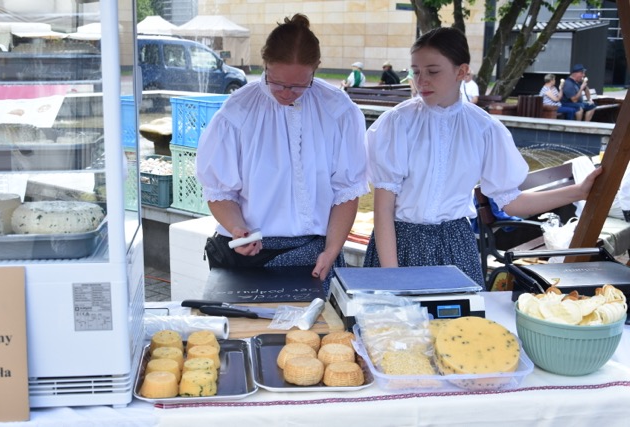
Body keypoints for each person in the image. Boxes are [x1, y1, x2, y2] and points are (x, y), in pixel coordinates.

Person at [363, 27, 601, 287]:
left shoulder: (484, 128)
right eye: (416, 71)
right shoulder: (398, 123)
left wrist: (579, 192)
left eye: (432, 71)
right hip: (398, 245)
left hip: (455, 246)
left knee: (459, 315)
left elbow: (511, 202)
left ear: (462, 72)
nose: (421, 81)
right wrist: (393, 278)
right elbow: (383, 209)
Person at [195, 14, 369, 295]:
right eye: (276, 82)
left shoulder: (338, 110)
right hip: (251, 257)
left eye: (299, 85)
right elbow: (220, 191)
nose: (287, 93)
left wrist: (332, 250)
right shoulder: (237, 112)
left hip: (316, 254)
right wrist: (238, 229)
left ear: (316, 68)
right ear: (265, 64)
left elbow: (346, 191)